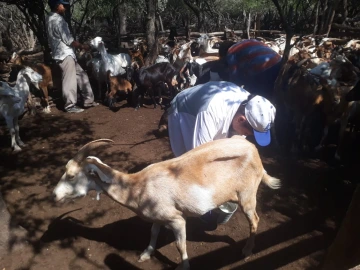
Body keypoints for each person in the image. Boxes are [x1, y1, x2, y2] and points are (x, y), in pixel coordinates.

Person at [167, 81, 276, 228]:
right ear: (241, 119)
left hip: (214, 115)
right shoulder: (210, 112)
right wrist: (219, 192)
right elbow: (200, 157)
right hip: (185, 112)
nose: (248, 136)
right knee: (187, 159)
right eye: (249, 133)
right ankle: (184, 204)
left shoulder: (248, 105)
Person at [46, 0, 98, 113]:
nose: (65, 7)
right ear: (56, 6)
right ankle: (70, 105)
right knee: (69, 80)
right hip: (65, 54)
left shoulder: (49, 18)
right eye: (62, 5)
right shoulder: (58, 20)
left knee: (81, 75)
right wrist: (82, 46)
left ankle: (88, 100)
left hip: (63, 54)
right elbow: (68, 40)